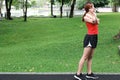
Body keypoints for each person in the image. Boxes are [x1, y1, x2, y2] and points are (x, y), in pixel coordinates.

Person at [74, 2, 99, 80]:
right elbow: (94, 21)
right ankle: (78, 74)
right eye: (92, 7)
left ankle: (89, 73)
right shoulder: (86, 16)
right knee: (85, 57)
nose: (93, 8)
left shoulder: (92, 15)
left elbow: (98, 22)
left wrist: (95, 18)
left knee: (90, 57)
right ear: (88, 9)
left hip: (95, 36)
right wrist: (95, 17)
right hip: (89, 37)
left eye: (93, 7)